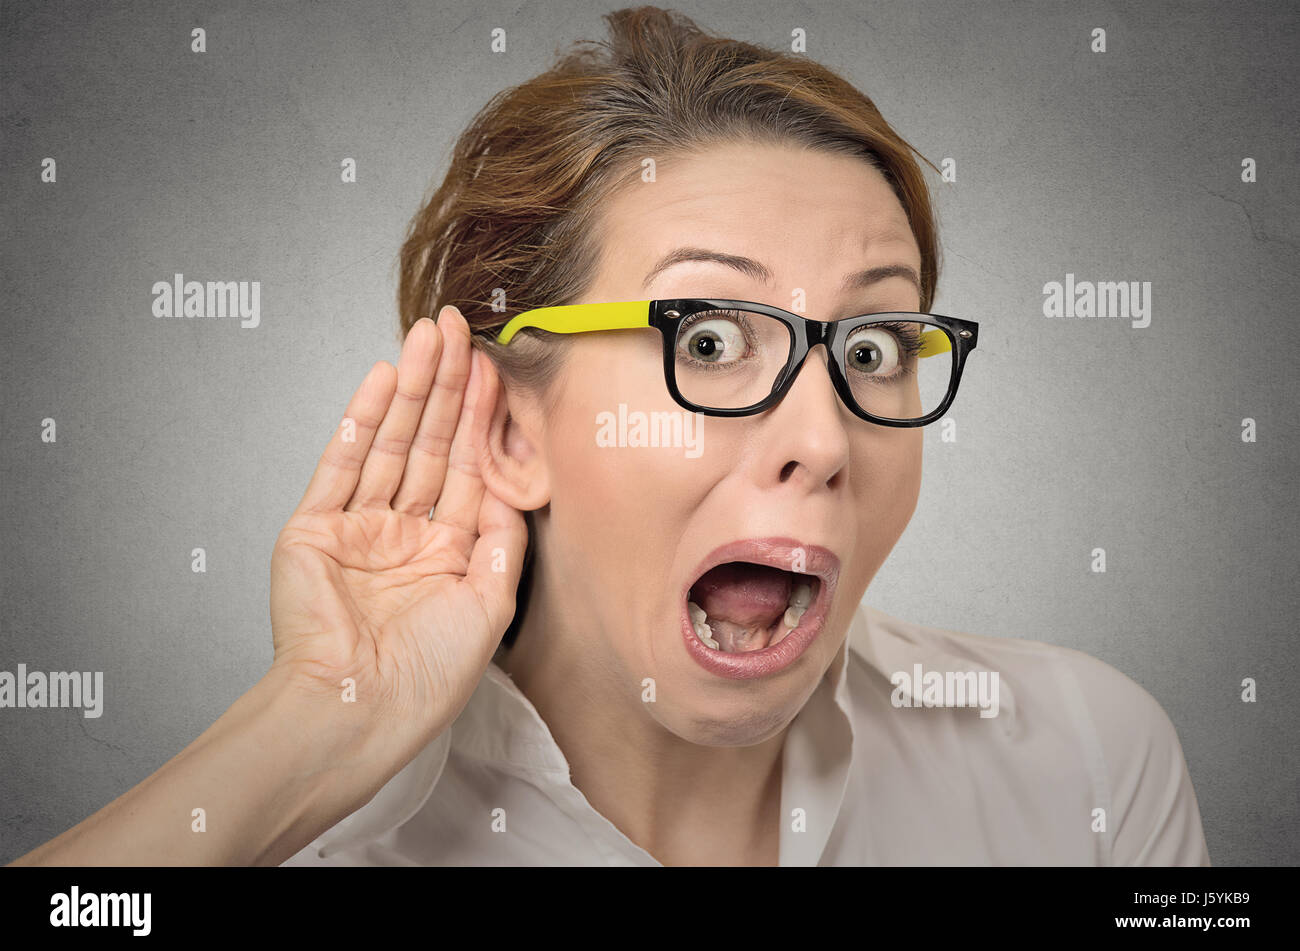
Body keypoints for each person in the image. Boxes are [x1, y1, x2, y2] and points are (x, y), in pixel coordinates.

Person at [9, 6, 1209, 867]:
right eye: (707, 341)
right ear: (509, 424)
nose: (825, 435)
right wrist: (309, 721)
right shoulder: (321, 840)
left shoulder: (1088, 768)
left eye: (874, 347)